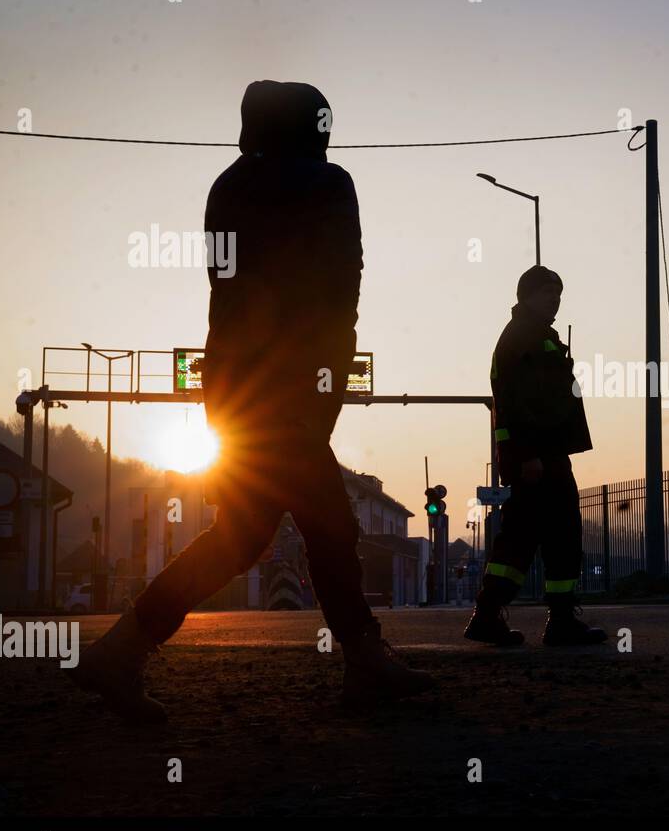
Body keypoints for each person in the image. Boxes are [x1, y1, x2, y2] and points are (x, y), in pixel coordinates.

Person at [72, 80, 434, 723]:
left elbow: (229, 284)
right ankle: (365, 661)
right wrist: (317, 390)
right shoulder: (327, 184)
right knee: (330, 522)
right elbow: (340, 288)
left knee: (240, 537)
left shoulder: (228, 185)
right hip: (289, 387)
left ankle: (120, 650)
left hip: (234, 385)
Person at [464, 265, 606, 647]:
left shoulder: (535, 335)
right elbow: (513, 402)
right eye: (548, 294)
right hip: (539, 456)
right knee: (558, 534)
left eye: (558, 294)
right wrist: (528, 455)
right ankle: (556, 622)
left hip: (543, 454)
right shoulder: (522, 337)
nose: (555, 301)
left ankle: (490, 615)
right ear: (525, 295)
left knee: (523, 537)